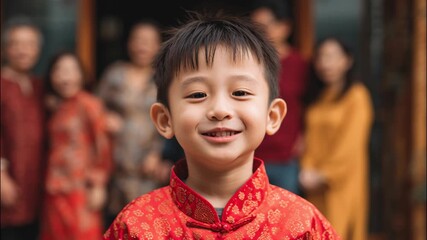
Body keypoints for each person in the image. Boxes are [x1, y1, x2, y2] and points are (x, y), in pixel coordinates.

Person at [104, 14, 339, 239]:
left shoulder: (303, 225)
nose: (219, 109)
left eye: (240, 92)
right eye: (197, 94)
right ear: (165, 120)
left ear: (272, 115)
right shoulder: (135, 225)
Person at [97, 20, 171, 225]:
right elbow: (93, 109)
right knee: (116, 223)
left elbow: (174, 118)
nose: (141, 46)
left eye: (148, 41)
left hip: (148, 167)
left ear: (158, 46)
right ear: (129, 43)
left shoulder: (164, 79)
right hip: (116, 164)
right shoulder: (114, 74)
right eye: (137, 40)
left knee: (147, 223)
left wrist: (160, 153)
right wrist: (104, 118)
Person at [299, 38, 373, 240]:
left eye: (332, 56)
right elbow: (310, 139)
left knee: (339, 230)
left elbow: (351, 143)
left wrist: (323, 175)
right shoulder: (319, 98)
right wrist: (307, 168)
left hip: (341, 181)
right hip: (313, 181)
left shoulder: (357, 96)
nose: (325, 63)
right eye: (321, 57)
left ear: (347, 61)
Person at [40, 52, 112, 240]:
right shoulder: (56, 107)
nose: (65, 77)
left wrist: (98, 185)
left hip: (80, 189)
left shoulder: (90, 104)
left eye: (71, 70)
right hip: (54, 187)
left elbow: (102, 145)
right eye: (59, 71)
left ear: (81, 75)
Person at [250, 0, 307, 194]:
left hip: (286, 159)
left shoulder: (300, 65)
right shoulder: (247, 65)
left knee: (286, 219)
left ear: (285, 27)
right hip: (250, 159)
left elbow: (311, 106)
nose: (259, 33)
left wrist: (304, 137)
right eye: (254, 28)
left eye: (264, 27)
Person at [0, 17, 45, 240]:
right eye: (16, 44)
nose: (23, 50)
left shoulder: (39, 85)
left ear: (37, 49)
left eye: (29, 44)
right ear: (7, 48)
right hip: (8, 179)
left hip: (36, 182)